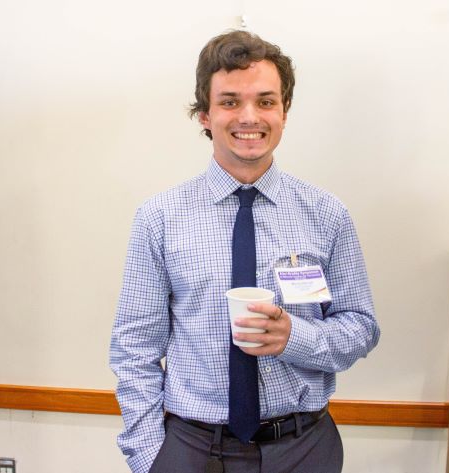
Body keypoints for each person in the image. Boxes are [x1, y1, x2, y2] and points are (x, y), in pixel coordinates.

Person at [109, 30, 380, 473]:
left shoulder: (327, 215)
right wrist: (149, 458)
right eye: (230, 101)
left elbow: (361, 326)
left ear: (285, 112)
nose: (249, 117)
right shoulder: (159, 218)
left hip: (304, 448)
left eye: (266, 101)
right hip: (192, 448)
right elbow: (134, 349)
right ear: (204, 114)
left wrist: (298, 338)